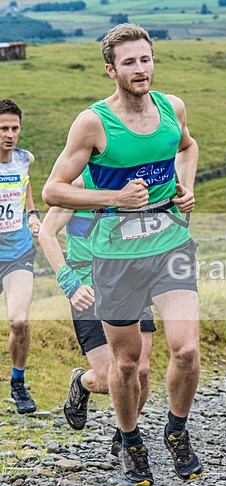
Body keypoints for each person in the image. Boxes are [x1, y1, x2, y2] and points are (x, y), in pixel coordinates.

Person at [42, 23, 201, 486]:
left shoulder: (172, 108)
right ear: (111, 70)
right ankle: (130, 440)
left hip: (170, 245)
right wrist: (115, 199)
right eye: (129, 62)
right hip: (116, 260)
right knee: (127, 364)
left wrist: (185, 186)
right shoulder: (93, 123)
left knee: (186, 349)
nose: (140, 68)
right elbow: (53, 190)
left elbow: (188, 147)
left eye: (145, 59)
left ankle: (176, 431)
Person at [38, 195, 157, 463]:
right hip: (87, 288)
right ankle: (81, 382)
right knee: (106, 379)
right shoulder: (77, 187)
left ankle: (126, 437)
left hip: (130, 283)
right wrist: (70, 284)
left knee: (141, 370)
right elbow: (46, 233)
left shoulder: (132, 182)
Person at [0, 99, 40, 415]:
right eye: (3, 129)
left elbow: (24, 185)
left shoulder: (25, 159)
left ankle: (17, 382)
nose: (10, 135)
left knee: (19, 320)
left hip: (18, 252)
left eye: (14, 128)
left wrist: (33, 213)